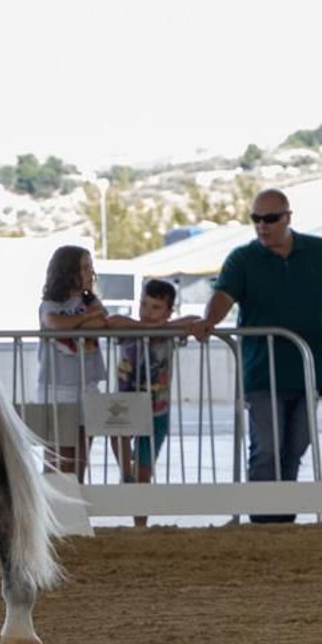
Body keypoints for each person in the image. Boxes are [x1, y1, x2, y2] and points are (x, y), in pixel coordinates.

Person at [188, 188, 322, 524]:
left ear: (288, 217)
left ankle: (282, 517)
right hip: (262, 372)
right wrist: (209, 321)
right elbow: (223, 296)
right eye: (256, 219)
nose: (263, 226)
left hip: (311, 372)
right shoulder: (242, 258)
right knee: (267, 448)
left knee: (296, 447)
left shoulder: (317, 251)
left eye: (270, 219)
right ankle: (263, 522)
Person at [36, 245, 132, 481]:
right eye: (85, 268)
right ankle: (53, 511)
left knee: (80, 457)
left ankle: (75, 510)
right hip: (58, 389)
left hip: (87, 386)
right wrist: (86, 319)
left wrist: (82, 320)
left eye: (91, 268)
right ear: (68, 272)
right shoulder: (50, 305)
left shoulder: (93, 303)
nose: (91, 274)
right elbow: (55, 324)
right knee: (59, 459)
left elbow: (101, 324)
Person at [111, 279, 199, 527]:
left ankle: (140, 523)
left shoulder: (169, 334)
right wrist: (142, 327)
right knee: (117, 435)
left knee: (145, 468)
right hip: (126, 404)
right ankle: (125, 474)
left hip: (156, 411)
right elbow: (113, 321)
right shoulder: (128, 331)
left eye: (156, 308)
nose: (148, 312)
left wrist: (164, 327)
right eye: (144, 305)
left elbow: (194, 319)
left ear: (169, 311)